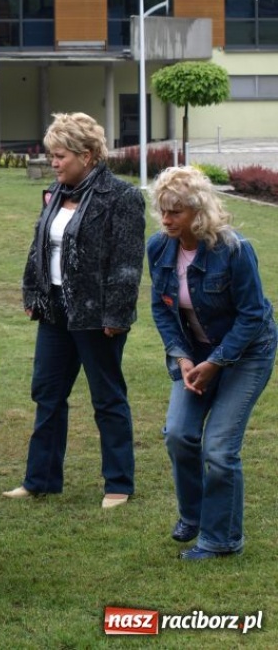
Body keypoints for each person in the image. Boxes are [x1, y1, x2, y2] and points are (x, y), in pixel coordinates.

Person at [3, 112, 145, 507]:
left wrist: (116, 316)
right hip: (55, 314)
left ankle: (118, 483)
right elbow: (39, 250)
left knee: (107, 398)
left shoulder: (122, 197)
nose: (54, 162)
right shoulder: (54, 192)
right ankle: (41, 479)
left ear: (87, 155)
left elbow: (128, 264)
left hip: (97, 317)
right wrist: (34, 296)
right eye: (51, 155)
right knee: (47, 394)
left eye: (60, 155)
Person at [148, 166, 276, 560]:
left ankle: (221, 540)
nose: (167, 220)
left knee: (219, 448)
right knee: (178, 434)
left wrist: (217, 362)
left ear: (197, 212)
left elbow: (253, 315)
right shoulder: (158, 247)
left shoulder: (234, 250)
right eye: (163, 211)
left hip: (247, 353)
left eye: (176, 212)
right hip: (196, 353)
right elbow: (162, 308)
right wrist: (182, 356)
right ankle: (195, 515)